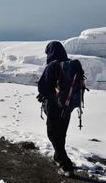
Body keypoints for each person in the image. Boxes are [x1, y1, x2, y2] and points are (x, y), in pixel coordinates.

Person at [37, 41, 84, 177]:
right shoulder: (72, 65)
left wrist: (47, 95)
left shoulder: (52, 65)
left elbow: (43, 87)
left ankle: (67, 166)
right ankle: (58, 158)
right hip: (68, 107)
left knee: (52, 134)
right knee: (61, 134)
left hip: (54, 108)